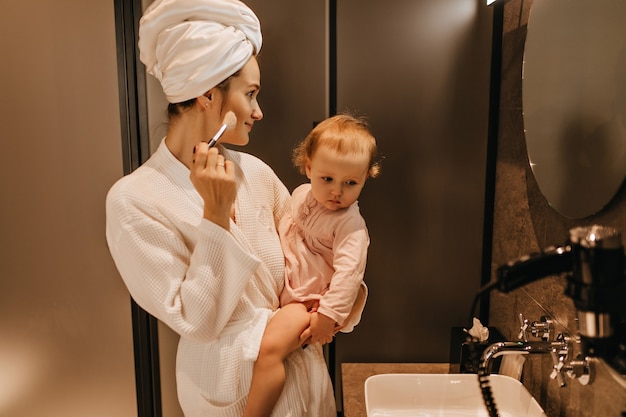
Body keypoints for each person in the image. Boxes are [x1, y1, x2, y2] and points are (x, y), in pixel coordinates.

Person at [105, 0, 336, 415]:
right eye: (250, 94)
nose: (259, 111)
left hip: (307, 382)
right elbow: (199, 322)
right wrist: (215, 217)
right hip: (232, 392)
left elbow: (317, 256)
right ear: (208, 95)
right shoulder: (135, 200)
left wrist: (335, 305)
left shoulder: (257, 174)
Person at [243, 114, 381, 417]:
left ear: (366, 177)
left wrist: (327, 317)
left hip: (309, 302)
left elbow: (349, 275)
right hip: (290, 288)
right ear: (308, 167)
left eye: (350, 183)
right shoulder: (302, 194)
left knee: (269, 351)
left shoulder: (351, 227)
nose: (336, 191)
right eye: (327, 179)